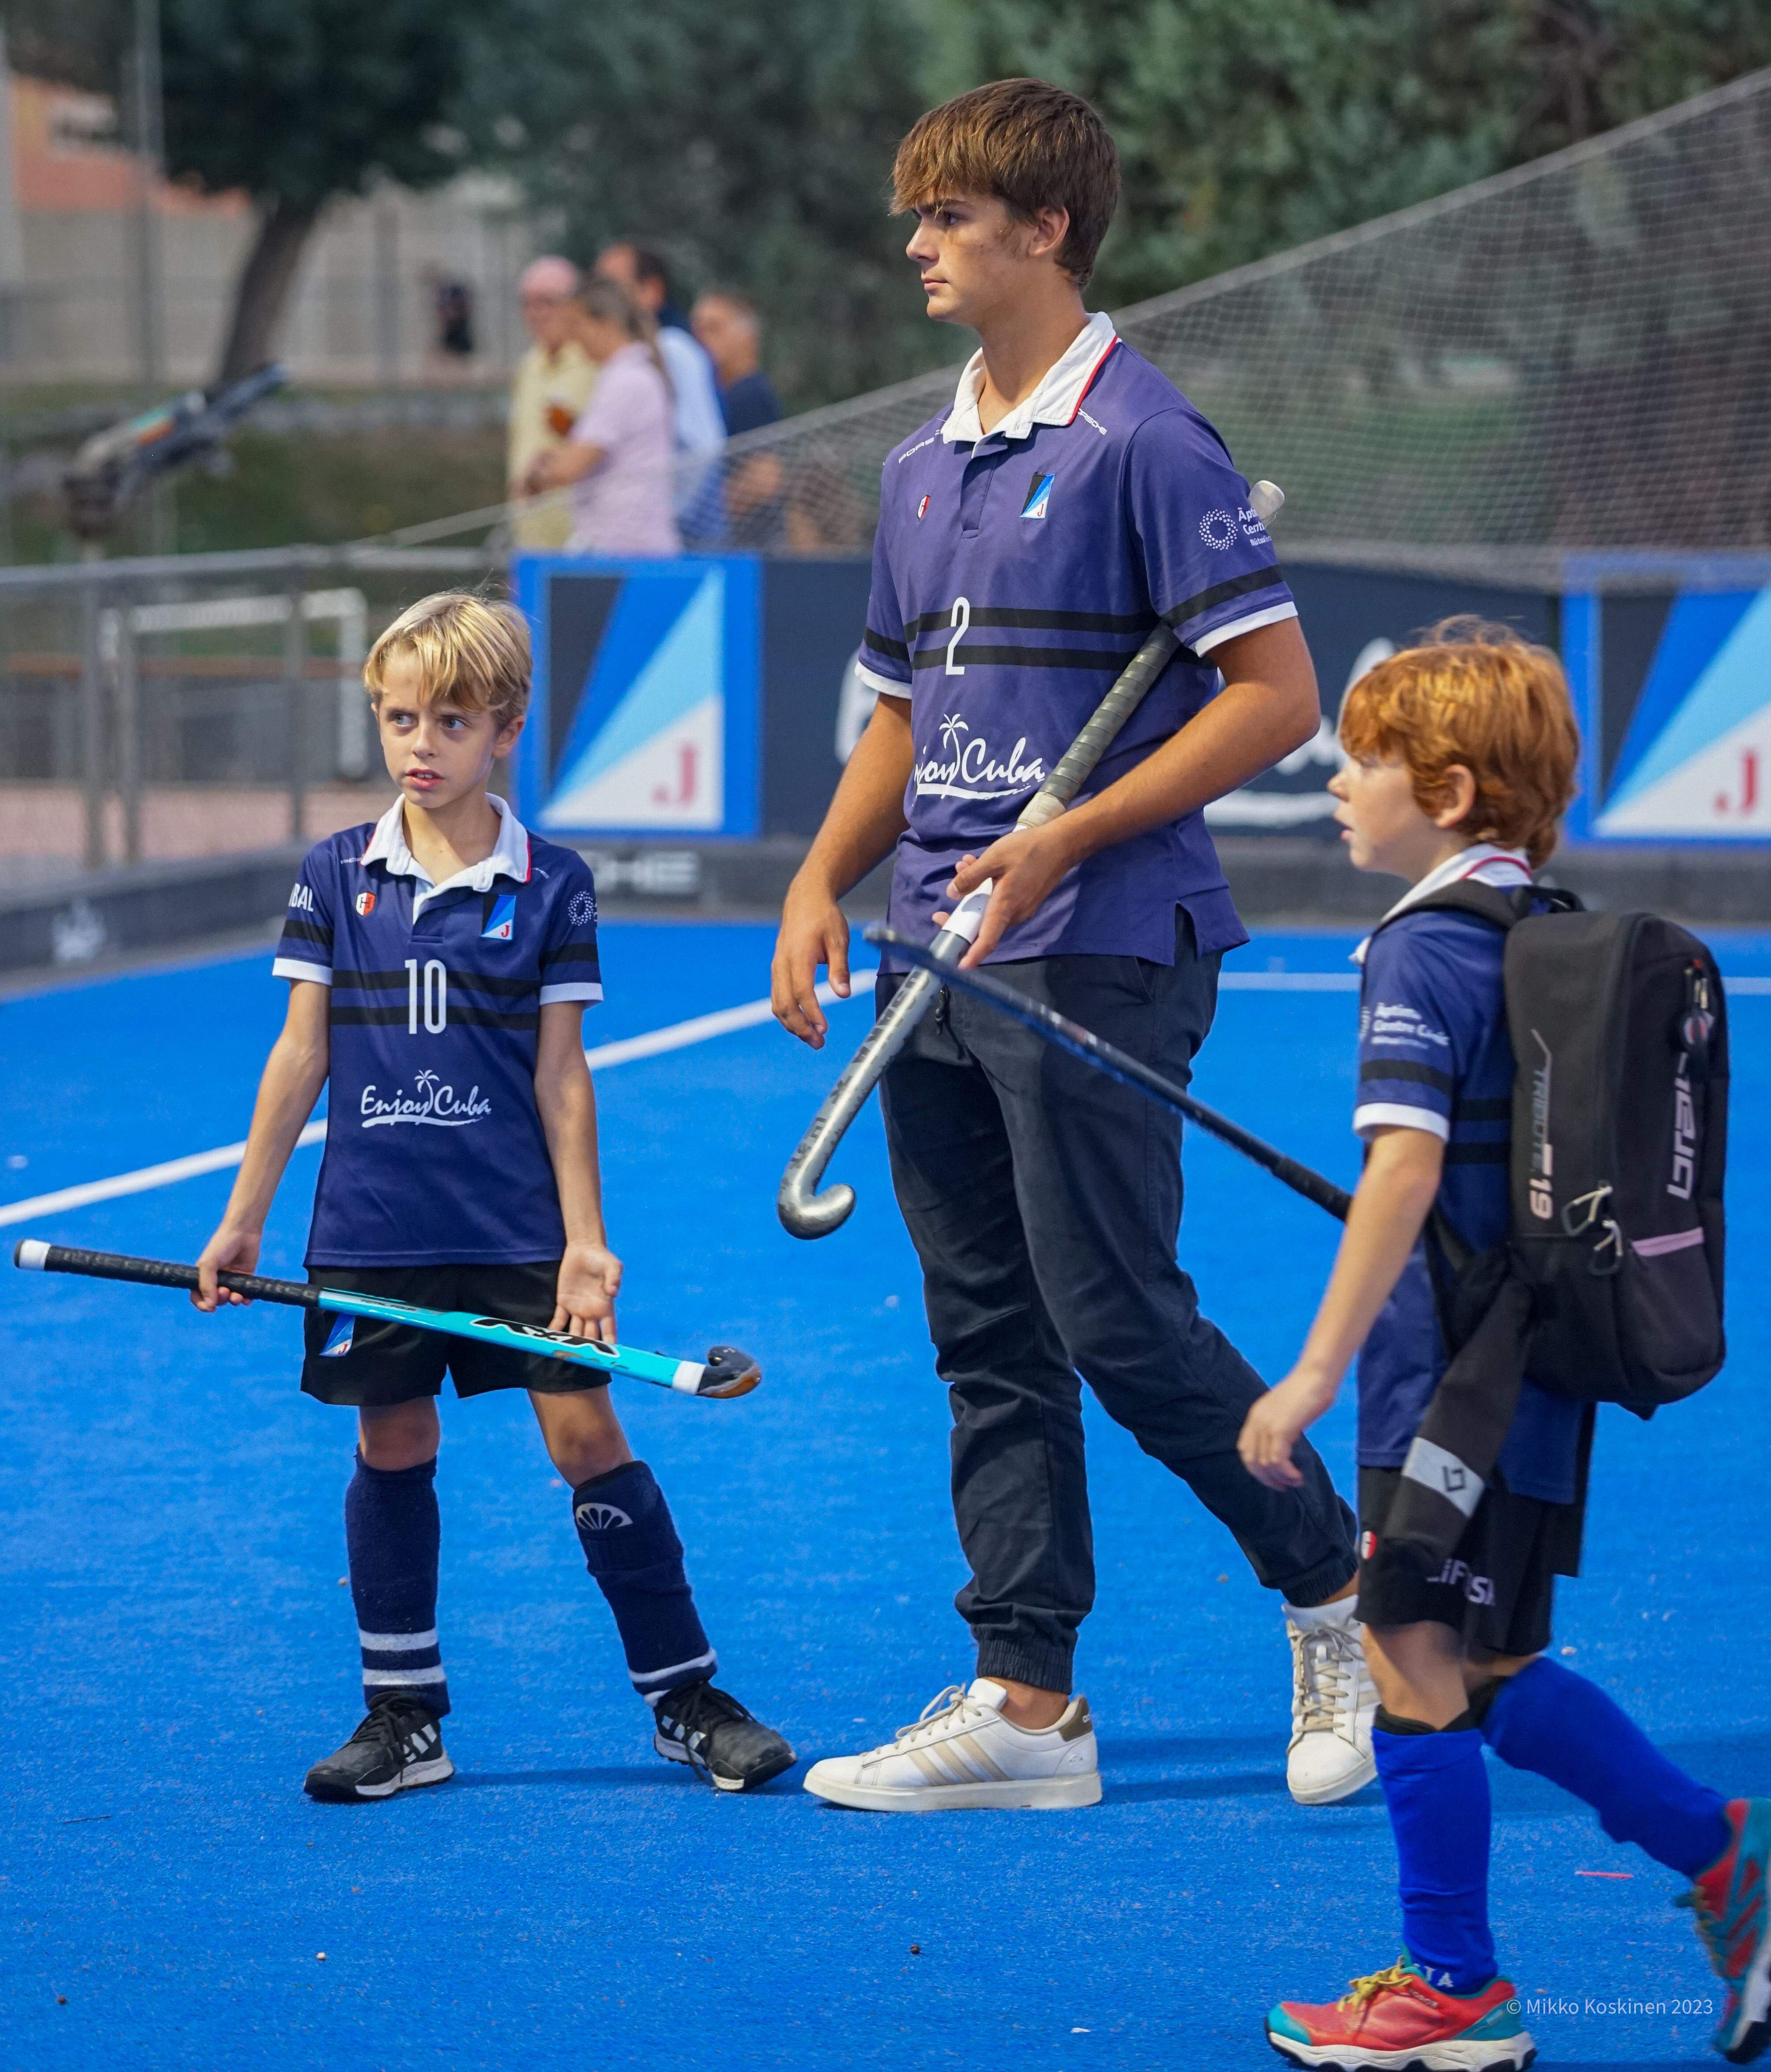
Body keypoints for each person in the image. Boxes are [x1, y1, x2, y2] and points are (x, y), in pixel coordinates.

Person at [770, 77, 1372, 1814]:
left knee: (1115, 1319)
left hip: (1099, 944)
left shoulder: (1148, 444)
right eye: (919, 217)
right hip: (932, 953)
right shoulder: (911, 465)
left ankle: (1334, 1588)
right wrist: (819, 879)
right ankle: (1028, 1711)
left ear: (1043, 230)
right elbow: (896, 716)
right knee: (984, 1336)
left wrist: (1068, 834)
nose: (919, 247)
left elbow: (1273, 702)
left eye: (950, 218)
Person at [1240, 624, 1769, 2070]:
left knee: (1408, 1646)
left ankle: (1453, 1991)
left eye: (1367, 762)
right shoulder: (1533, 917)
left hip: (1442, 1389)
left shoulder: (1419, 945)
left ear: (1453, 789)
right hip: (1533, 1383)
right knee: (1491, 1660)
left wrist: (1311, 1373)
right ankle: (1732, 1864)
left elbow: (1405, 1175)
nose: (1340, 782)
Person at [192, 591, 792, 1800]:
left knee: (585, 1436)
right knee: (393, 1437)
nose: (422, 744)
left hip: (517, 1229)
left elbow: (562, 1079)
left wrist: (587, 1247)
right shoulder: (334, 876)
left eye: (452, 722)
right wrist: (244, 1217)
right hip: (372, 1230)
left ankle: (686, 1700)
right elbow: (301, 1053)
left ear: (504, 728)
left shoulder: (555, 887)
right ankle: (402, 1716)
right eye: (401, 718)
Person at [524, 281, 681, 557]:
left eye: (576, 325)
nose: (572, 338)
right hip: (625, 545)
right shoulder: (630, 376)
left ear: (606, 324)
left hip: (624, 549)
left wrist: (538, 476)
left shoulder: (626, 380)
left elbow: (568, 470)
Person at [595, 241, 726, 500]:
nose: (600, 303)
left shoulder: (671, 349)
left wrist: (670, 513)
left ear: (651, 290)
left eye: (612, 289)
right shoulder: (636, 354)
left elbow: (704, 447)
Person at [507, 257, 598, 553]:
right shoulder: (528, 366)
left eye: (546, 302)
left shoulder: (595, 362)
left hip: (583, 541)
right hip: (530, 538)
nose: (535, 314)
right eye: (528, 304)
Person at [690, 290, 782, 435]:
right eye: (698, 331)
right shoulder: (719, 394)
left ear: (746, 335)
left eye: (713, 328)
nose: (702, 338)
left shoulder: (750, 396)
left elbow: (763, 457)